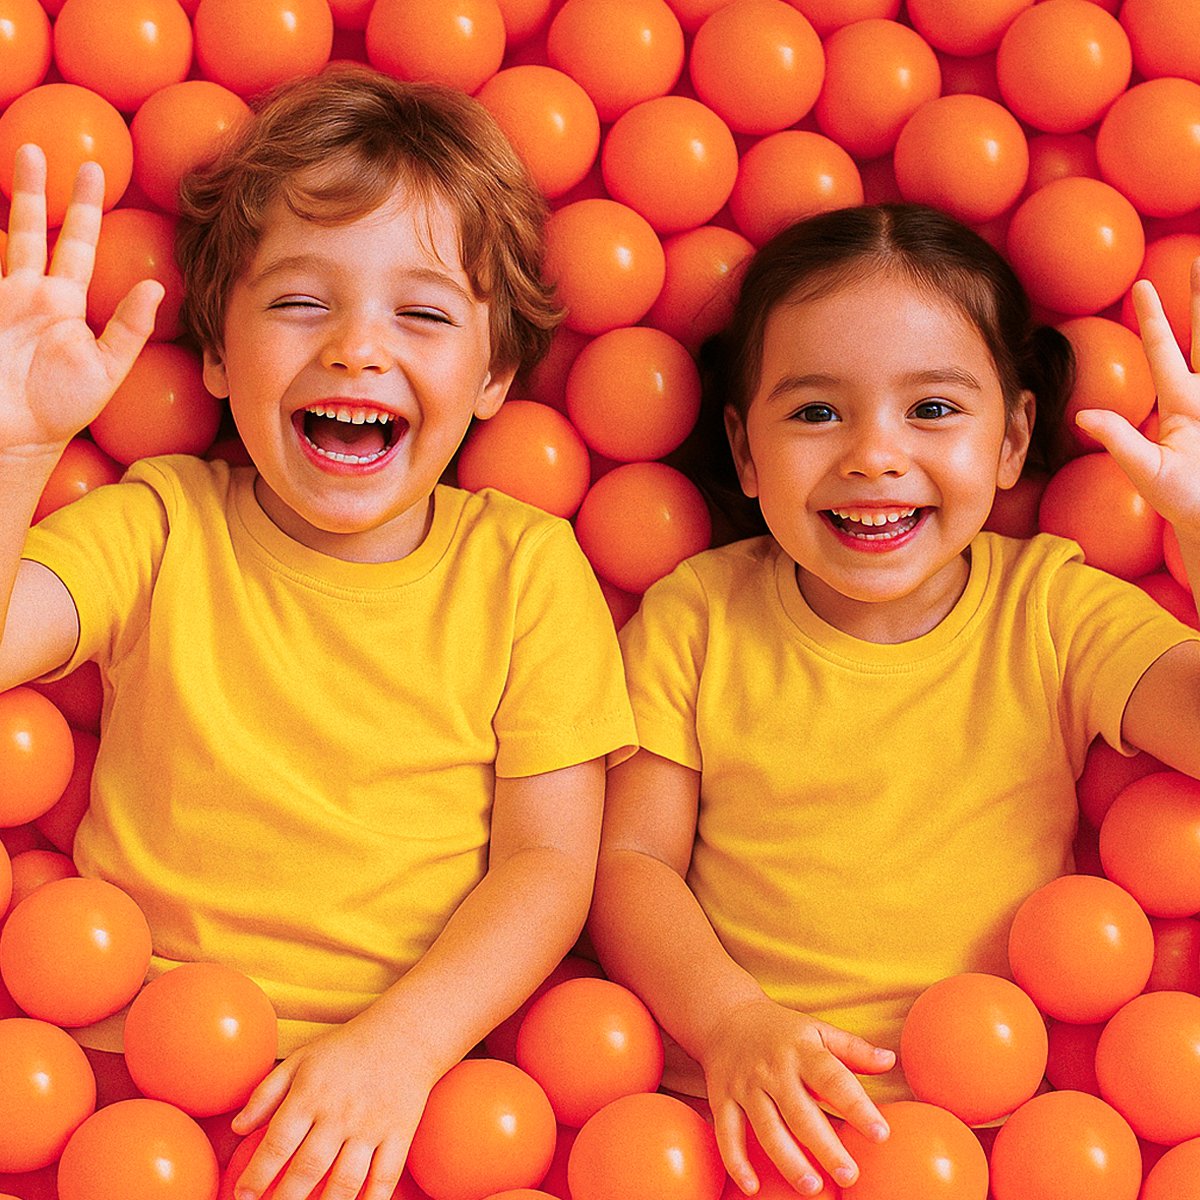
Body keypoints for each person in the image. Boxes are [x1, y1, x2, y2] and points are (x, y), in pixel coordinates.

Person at [0, 66, 635, 1200]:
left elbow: (548, 865)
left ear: (494, 375)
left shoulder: (528, 570)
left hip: (399, 1107)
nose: (355, 347)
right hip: (114, 1080)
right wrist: (14, 457)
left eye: (424, 313)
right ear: (214, 351)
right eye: (300, 302)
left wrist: (402, 1049)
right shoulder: (159, 522)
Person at [589, 203, 1200, 1197]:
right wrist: (732, 1023)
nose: (874, 455)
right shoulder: (696, 616)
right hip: (735, 1128)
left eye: (933, 410)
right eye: (817, 412)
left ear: (1013, 441)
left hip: (993, 1135)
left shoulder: (1052, 606)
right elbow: (629, 863)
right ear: (746, 453)